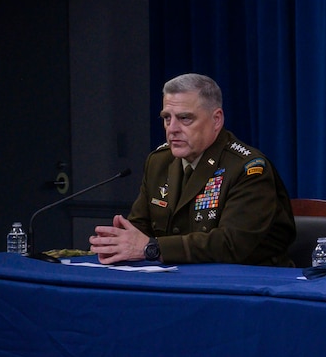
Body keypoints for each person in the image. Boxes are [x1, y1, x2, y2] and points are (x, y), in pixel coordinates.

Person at [90, 73, 296, 266]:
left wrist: (152, 248)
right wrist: (118, 242)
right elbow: (140, 230)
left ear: (216, 120)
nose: (172, 129)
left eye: (184, 118)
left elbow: (231, 244)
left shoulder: (247, 169)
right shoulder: (158, 162)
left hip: (246, 288)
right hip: (177, 281)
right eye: (166, 118)